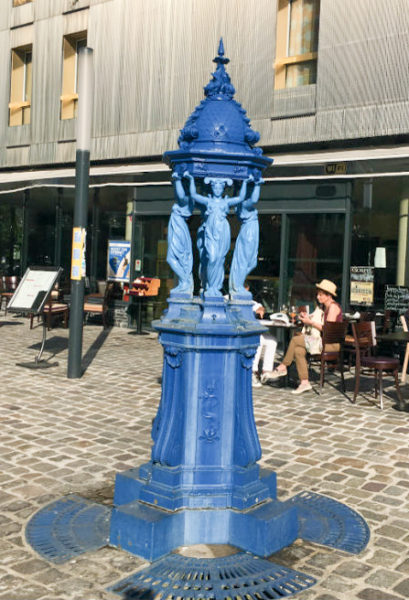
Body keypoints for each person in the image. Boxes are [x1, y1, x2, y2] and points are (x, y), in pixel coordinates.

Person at [266, 279, 342, 395]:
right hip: (322, 341)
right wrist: (307, 317)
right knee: (298, 349)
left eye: (321, 295)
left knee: (296, 339)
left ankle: (283, 366)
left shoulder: (333, 307)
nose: (318, 297)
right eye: (318, 294)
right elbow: (317, 321)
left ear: (328, 295)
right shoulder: (323, 308)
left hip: (330, 344)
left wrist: (310, 323)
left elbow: (328, 329)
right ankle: (304, 382)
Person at [185, 172, 250, 297]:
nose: (217, 189)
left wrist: (246, 182)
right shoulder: (208, 201)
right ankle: (210, 285)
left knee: (219, 260)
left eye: (220, 187)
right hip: (211, 231)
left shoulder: (225, 202)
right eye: (215, 187)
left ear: (223, 189)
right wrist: (191, 179)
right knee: (212, 258)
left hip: (223, 231)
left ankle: (215, 287)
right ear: (212, 188)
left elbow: (241, 198)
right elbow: (193, 194)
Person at [229, 176, 263, 296]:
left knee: (251, 261)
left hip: (250, 230)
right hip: (249, 232)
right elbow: (254, 199)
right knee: (245, 260)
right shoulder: (244, 204)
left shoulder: (241, 203)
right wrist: (258, 184)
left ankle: (238, 282)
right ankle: (238, 284)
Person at [166, 172, 194, 295]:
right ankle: (184, 281)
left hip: (179, 227)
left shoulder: (187, 198)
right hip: (176, 225)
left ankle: (185, 281)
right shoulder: (185, 199)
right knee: (175, 257)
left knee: (173, 258)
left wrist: (177, 179)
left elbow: (181, 196)